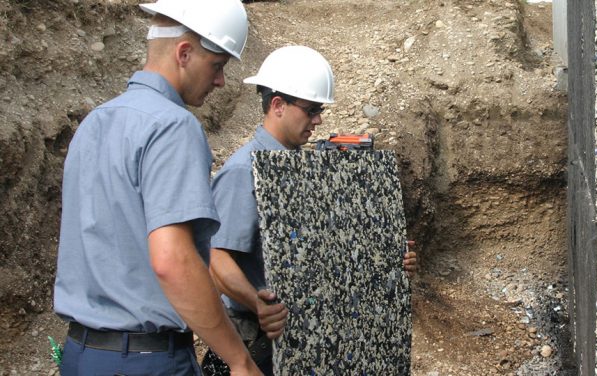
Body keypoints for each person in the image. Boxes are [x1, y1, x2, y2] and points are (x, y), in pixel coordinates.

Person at [52, 0, 262, 375]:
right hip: (146, 360)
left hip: (81, 355)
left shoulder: (94, 123)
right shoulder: (172, 126)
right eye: (217, 66)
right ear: (184, 53)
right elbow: (172, 261)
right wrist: (238, 359)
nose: (220, 81)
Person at [207, 45, 417, 375]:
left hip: (306, 338)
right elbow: (216, 257)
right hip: (257, 342)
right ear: (278, 105)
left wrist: (389, 259)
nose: (318, 119)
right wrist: (258, 303)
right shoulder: (243, 172)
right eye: (311, 109)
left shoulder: (304, 169)